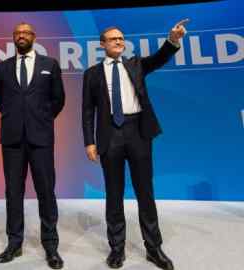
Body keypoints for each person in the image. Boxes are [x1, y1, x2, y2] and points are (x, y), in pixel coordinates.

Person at [81, 19, 189, 270]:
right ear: (103, 45)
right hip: (110, 137)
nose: (119, 41)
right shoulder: (92, 74)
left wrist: (173, 40)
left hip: (138, 133)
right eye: (113, 38)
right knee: (114, 195)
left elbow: (160, 57)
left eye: (121, 38)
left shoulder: (136, 64)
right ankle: (116, 250)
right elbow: (87, 111)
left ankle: (154, 249)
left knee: (145, 193)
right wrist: (89, 142)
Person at [0, 22, 65, 269]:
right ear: (14, 38)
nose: (21, 36)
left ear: (34, 37)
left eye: (25, 33)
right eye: (17, 33)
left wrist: (41, 118)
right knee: (13, 193)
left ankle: (51, 246)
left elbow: (58, 100)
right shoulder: (3, 67)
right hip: (12, 139)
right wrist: (18, 119)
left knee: (46, 192)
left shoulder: (50, 65)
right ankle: (14, 243)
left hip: (41, 138)